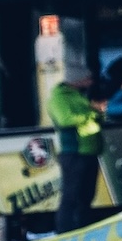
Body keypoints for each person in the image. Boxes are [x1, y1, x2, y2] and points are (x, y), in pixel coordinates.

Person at [45, 66, 103, 231]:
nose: (91, 82)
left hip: (89, 151)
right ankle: (65, 233)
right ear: (77, 80)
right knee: (71, 197)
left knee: (86, 197)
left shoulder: (77, 95)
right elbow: (65, 120)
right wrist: (92, 113)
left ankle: (82, 230)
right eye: (88, 79)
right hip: (74, 152)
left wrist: (98, 113)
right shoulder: (59, 98)